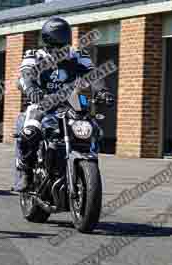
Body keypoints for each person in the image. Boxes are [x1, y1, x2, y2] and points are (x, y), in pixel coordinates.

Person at [12, 17, 114, 193]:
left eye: (64, 41)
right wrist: (32, 90)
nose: (61, 48)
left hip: (71, 102)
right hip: (41, 103)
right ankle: (26, 172)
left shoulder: (78, 55)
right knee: (30, 131)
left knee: (92, 128)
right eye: (57, 42)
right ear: (48, 41)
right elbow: (25, 75)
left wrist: (102, 91)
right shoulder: (34, 55)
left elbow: (94, 75)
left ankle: (86, 165)